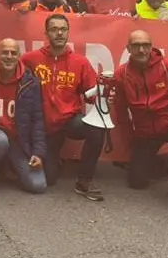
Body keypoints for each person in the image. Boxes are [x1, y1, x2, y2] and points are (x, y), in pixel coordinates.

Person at [21, 14, 107, 200]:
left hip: (70, 120)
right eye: (54, 29)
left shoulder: (80, 62)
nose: (59, 33)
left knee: (96, 128)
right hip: (42, 126)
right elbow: (8, 66)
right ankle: (55, 161)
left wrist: (104, 93)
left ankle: (84, 179)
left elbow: (91, 94)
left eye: (63, 29)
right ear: (46, 33)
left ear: (68, 32)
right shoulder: (31, 59)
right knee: (50, 179)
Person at [112, 29, 168, 197]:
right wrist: (130, 138)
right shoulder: (122, 73)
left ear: (151, 47)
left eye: (145, 45)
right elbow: (120, 110)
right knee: (137, 183)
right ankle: (163, 161)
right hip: (145, 132)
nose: (141, 50)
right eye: (136, 46)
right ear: (128, 49)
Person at [0, 39, 47, 193]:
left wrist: (38, 152)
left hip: (18, 140)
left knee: (38, 185)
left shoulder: (31, 82)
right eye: (5, 53)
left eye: (13, 53)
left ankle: (9, 165)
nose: (9, 56)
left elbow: (38, 119)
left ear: (19, 56)